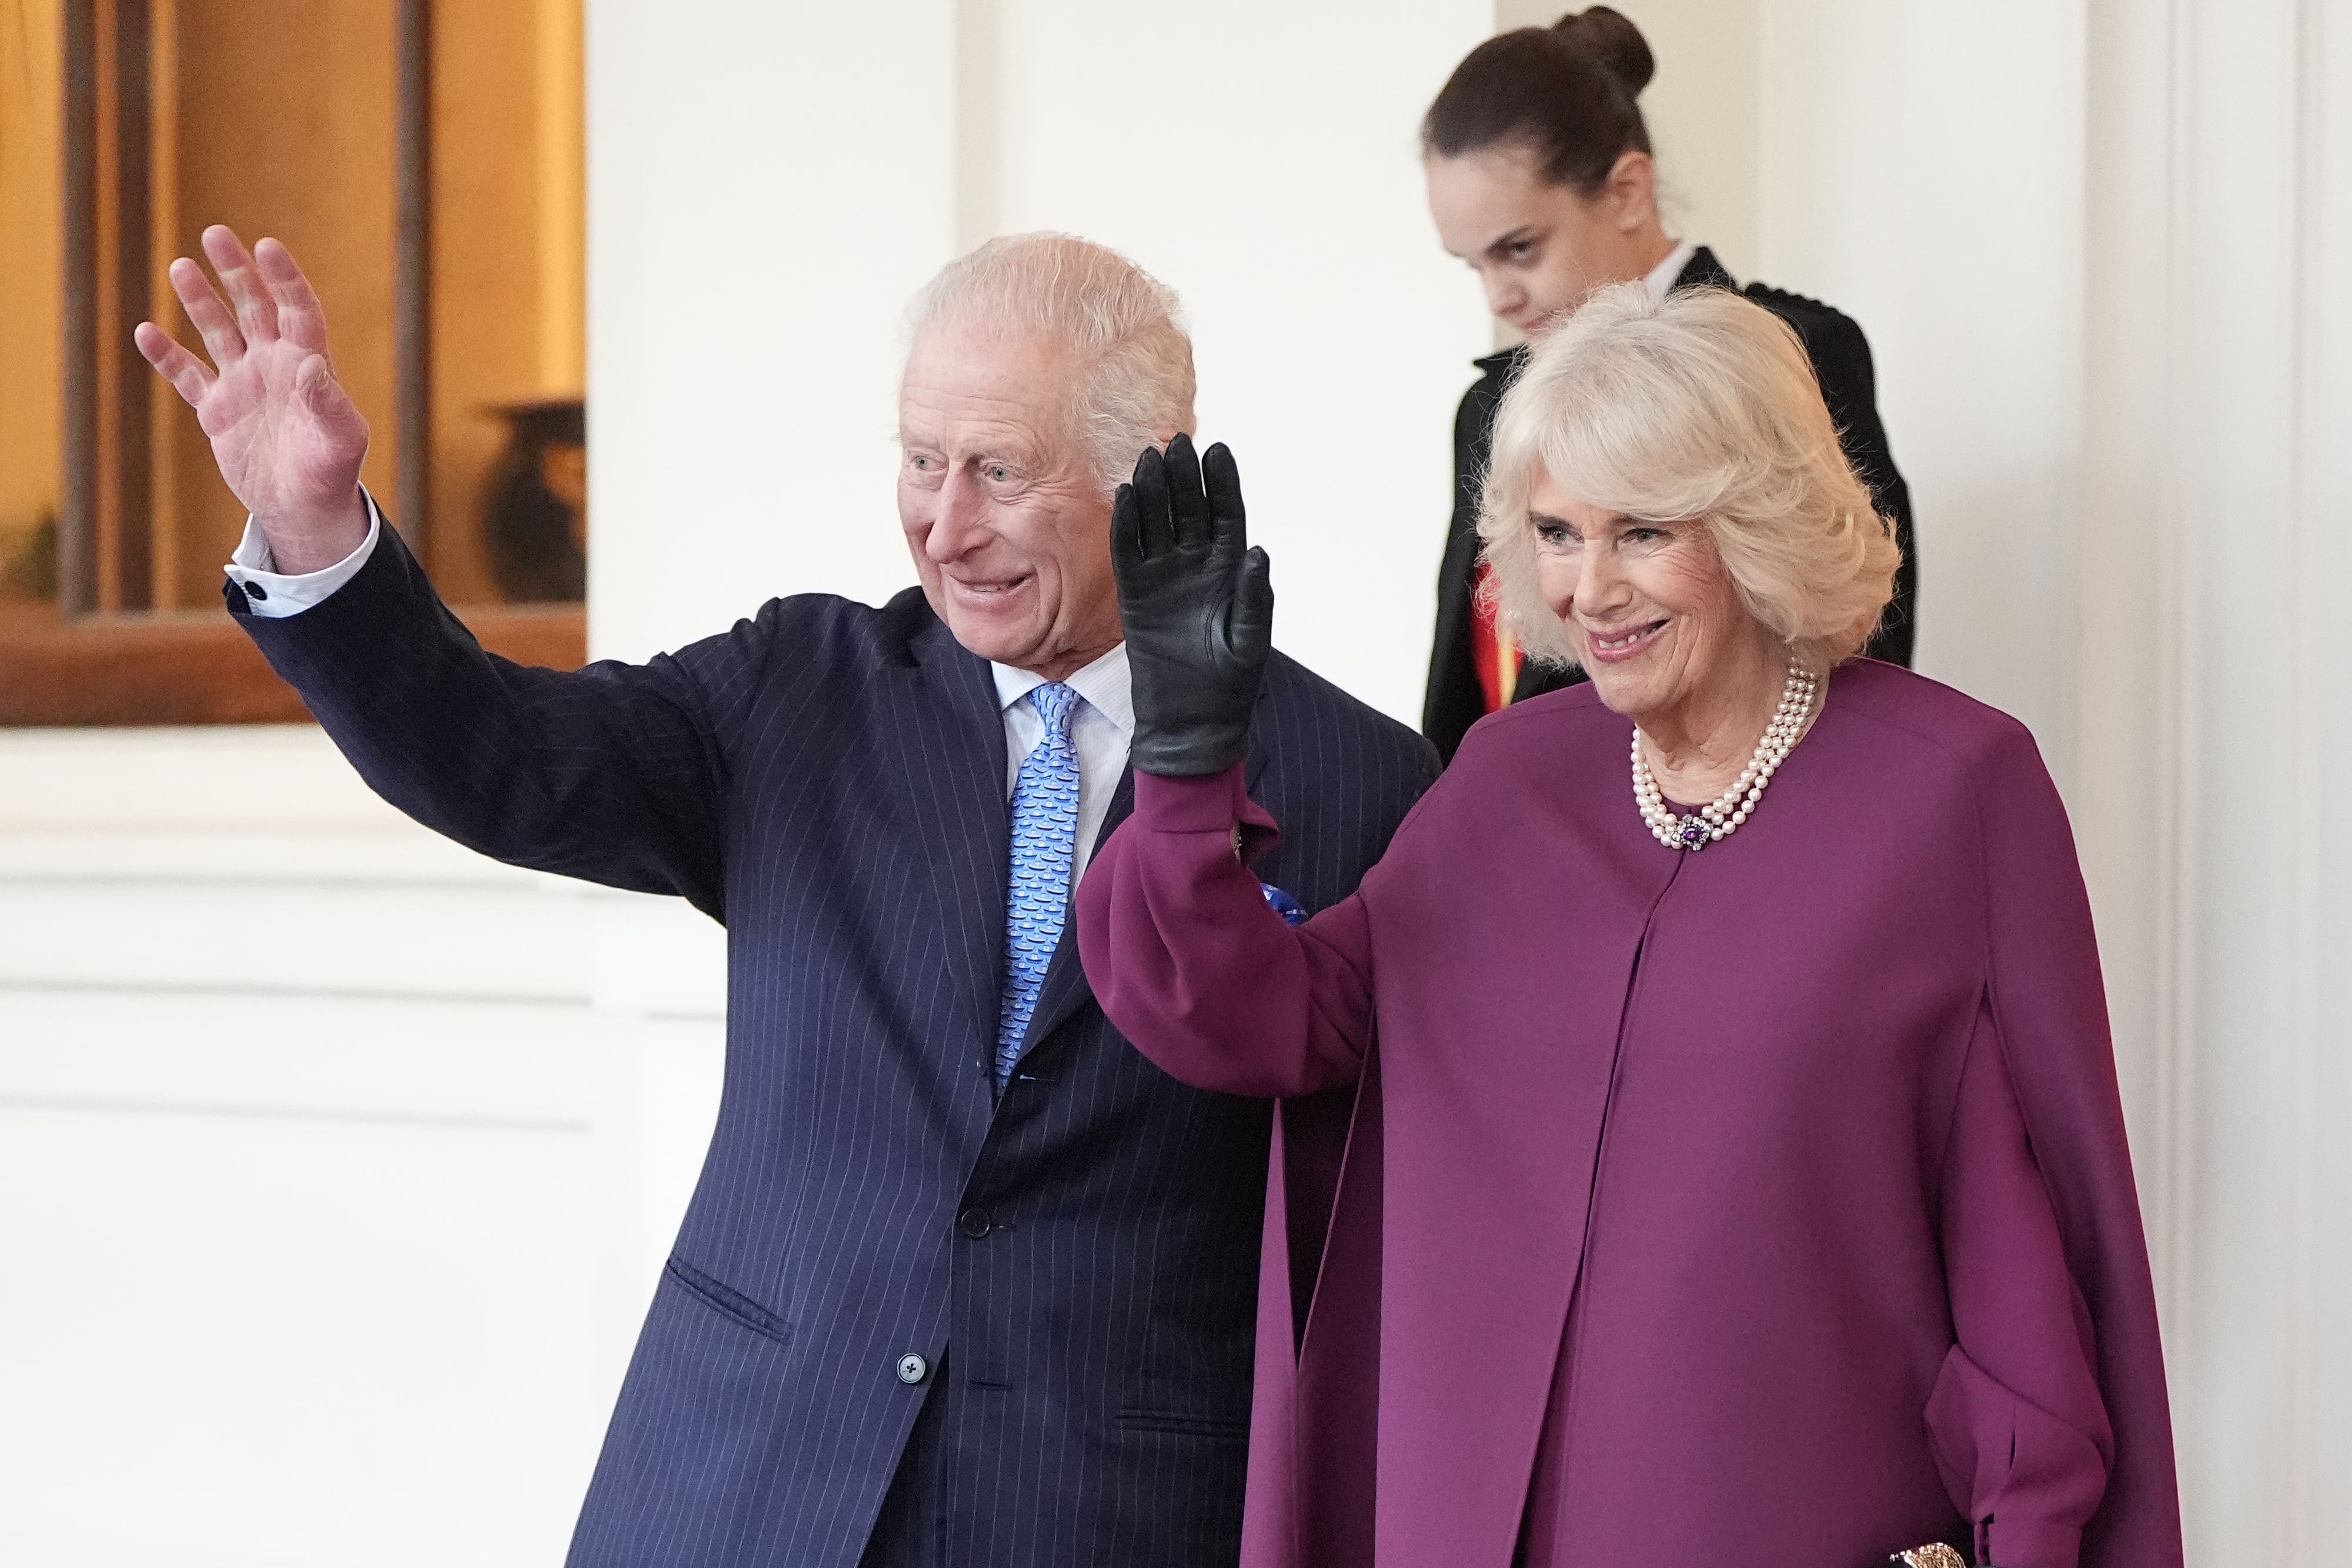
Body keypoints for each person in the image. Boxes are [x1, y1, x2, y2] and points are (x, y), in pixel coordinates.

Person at [135, 225, 1438, 1568]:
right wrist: (311, 527)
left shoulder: (1364, 783)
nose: (943, 522)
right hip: (753, 1477)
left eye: (997, 468)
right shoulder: (796, 690)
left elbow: (1398, 1223)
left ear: (1144, 477)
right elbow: (502, 756)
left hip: (1110, 1506)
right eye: (920, 460)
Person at [1077, 283, 2180, 1567]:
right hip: (1462, 1516)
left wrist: (2029, 1534)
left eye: (1643, 532)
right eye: (1554, 530)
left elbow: (2026, 1230)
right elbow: (1266, 1020)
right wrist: (1182, 768)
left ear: (1758, 525)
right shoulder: (1504, 779)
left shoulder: (1949, 788)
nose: (1588, 587)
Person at [1421, 6, 1917, 764]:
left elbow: (1859, 637)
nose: (1498, 297)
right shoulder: (1490, 408)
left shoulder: (1793, 352)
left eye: (1520, 249)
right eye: (1474, 265)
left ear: (1626, 191)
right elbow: (1471, 679)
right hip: (1517, 826)